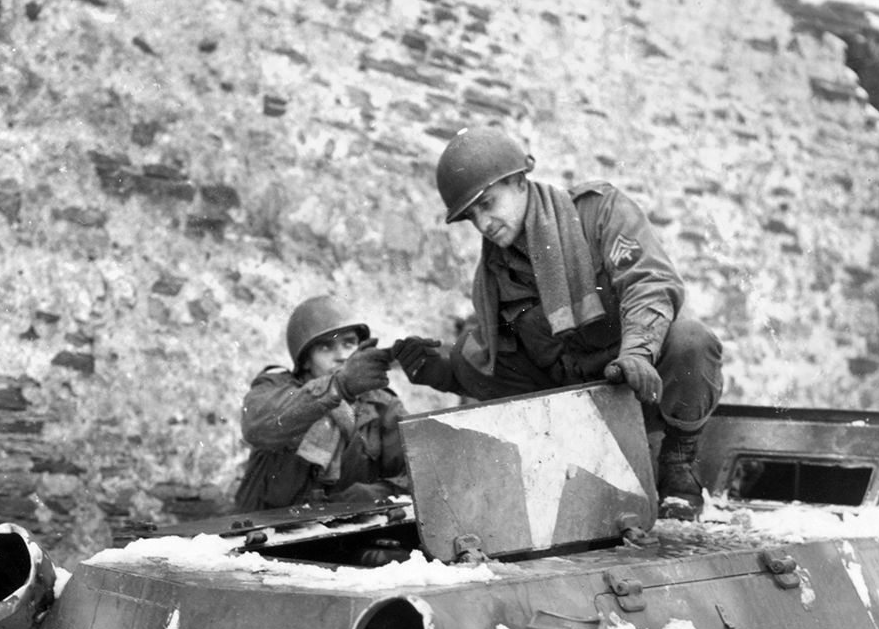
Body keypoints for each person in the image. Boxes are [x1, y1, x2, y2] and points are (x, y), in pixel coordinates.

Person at [393, 127, 724, 519]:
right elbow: (496, 362)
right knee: (468, 356)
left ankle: (679, 465)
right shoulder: (496, 273)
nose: (483, 223)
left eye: (489, 204)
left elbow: (649, 282)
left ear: (519, 181)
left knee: (692, 340)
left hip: (638, 380)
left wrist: (638, 352)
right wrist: (439, 368)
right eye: (472, 216)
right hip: (571, 396)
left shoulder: (598, 212)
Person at [233, 295, 409, 512]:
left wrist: (377, 493)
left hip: (348, 533)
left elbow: (418, 472)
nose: (341, 356)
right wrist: (336, 388)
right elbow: (257, 426)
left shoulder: (381, 404)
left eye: (349, 343)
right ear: (305, 360)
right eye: (326, 347)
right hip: (267, 534)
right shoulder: (275, 387)